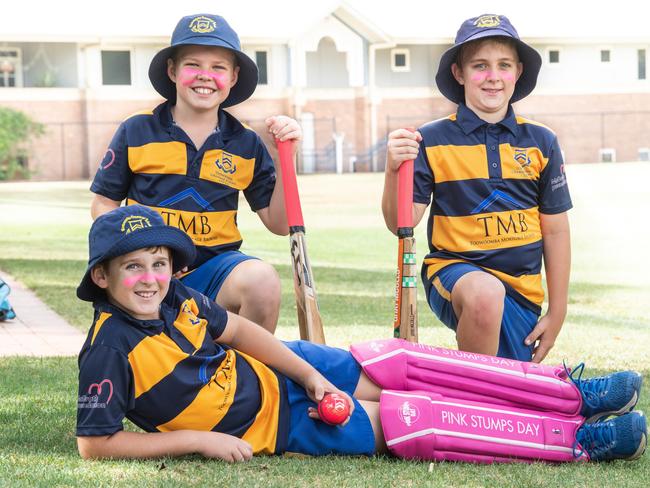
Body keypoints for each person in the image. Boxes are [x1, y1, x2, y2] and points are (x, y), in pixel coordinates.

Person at [75, 205, 646, 464]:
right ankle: (576, 441)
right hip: (275, 423)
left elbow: (243, 333)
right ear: (102, 276)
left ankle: (571, 394)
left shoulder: (176, 295)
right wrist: (201, 440)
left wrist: (312, 373)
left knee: (405, 362)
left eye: (158, 263)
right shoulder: (107, 349)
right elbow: (96, 445)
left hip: (282, 370)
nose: (150, 278)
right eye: (132, 267)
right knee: (414, 416)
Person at [88, 13, 302, 333]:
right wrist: (135, 251)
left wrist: (289, 157)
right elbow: (103, 204)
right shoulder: (138, 129)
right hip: (149, 270)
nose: (205, 76)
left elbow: (281, 223)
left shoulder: (245, 143)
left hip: (215, 271)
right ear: (173, 71)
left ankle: (245, 378)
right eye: (193, 65)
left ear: (233, 76)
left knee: (263, 281)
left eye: (218, 67)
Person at [382, 14, 572, 362]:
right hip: (454, 273)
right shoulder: (432, 140)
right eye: (480, 66)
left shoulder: (542, 141)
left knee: (514, 385)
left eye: (504, 65)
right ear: (459, 73)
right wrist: (393, 171)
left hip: (522, 292)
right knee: (486, 295)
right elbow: (401, 223)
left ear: (517, 72)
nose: (493, 77)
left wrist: (557, 312)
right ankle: (475, 405)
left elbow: (556, 232)